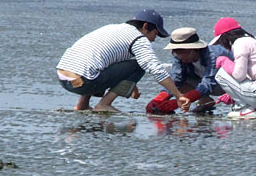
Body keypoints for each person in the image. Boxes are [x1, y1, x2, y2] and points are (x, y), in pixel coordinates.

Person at [56, 9, 191, 113]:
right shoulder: (138, 39)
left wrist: (133, 87)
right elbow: (154, 68)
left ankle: (82, 105)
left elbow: (113, 63)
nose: (153, 39)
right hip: (83, 81)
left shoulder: (113, 28)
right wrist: (178, 95)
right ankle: (104, 104)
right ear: (145, 27)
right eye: (155, 34)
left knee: (97, 64)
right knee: (140, 64)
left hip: (63, 78)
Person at [145, 27, 234, 114]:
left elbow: (208, 83)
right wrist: (160, 98)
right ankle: (205, 101)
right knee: (173, 80)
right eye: (177, 52)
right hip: (204, 82)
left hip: (228, 86)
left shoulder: (214, 56)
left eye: (185, 52)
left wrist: (179, 101)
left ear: (196, 49)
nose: (181, 57)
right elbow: (176, 78)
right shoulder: (179, 57)